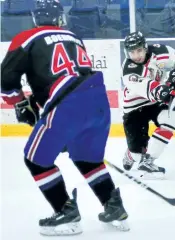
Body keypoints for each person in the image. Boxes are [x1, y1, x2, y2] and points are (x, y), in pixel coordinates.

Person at [1, 0, 128, 236]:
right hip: (98, 100)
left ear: (35, 18)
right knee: (86, 158)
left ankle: (65, 211)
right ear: (61, 18)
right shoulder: (73, 37)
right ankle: (113, 205)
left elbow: (7, 80)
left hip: (68, 105)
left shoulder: (27, 37)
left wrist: (20, 103)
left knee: (35, 159)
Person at [121, 31, 175, 179]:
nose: (136, 55)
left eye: (139, 50)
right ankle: (131, 155)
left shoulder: (160, 51)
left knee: (171, 118)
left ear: (145, 47)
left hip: (155, 103)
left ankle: (149, 161)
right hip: (134, 108)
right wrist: (165, 90)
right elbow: (149, 88)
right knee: (137, 153)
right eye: (132, 52)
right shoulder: (128, 70)